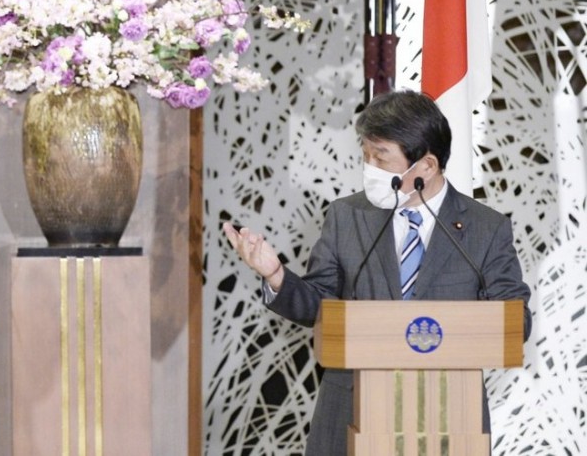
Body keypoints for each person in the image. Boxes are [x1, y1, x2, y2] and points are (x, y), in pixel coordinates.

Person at [223, 90, 531, 456]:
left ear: (427, 167)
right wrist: (275, 275)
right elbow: (317, 307)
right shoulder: (347, 216)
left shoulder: (486, 228)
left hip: (449, 417)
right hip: (351, 409)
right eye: (366, 154)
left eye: (381, 157)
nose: (369, 166)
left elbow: (516, 322)